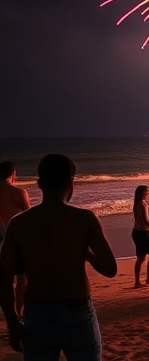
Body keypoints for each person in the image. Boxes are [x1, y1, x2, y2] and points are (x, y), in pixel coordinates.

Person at [0, 154, 117, 359]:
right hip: (77, 310)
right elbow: (110, 269)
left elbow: (4, 279)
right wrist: (86, 253)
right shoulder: (85, 219)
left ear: (39, 183)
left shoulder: (18, 224)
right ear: (71, 183)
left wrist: (12, 322)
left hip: (37, 313)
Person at [0, 161, 31, 318]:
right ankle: (19, 314)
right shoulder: (18, 192)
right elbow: (30, 216)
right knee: (21, 280)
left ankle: (9, 317)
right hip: (15, 240)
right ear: (13, 174)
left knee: (4, 282)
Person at [131, 185, 149, 289]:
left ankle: (138, 281)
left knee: (141, 257)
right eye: (147, 192)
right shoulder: (142, 204)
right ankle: (148, 278)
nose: (148, 194)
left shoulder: (137, 204)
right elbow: (146, 221)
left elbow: (141, 219)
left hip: (136, 232)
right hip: (143, 233)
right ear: (143, 193)